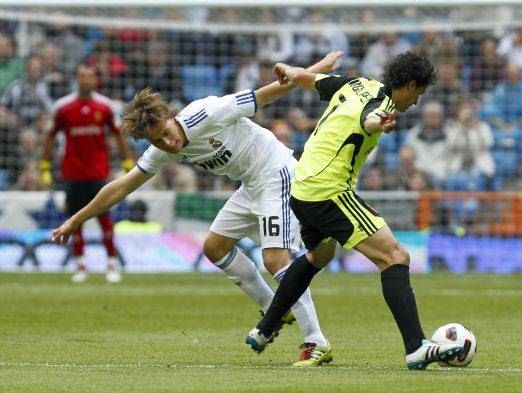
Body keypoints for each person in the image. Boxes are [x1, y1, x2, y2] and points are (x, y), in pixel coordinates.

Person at [51, 52, 343, 367]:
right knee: (215, 247)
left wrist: (314, 72)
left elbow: (267, 94)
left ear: (170, 116)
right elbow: (122, 186)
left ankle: (316, 341)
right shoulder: (160, 147)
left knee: (275, 260)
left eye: (166, 133)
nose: (169, 143)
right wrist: (75, 220)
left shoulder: (206, 112)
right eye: (158, 142)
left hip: (276, 172)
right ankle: (276, 307)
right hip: (250, 184)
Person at [246, 52, 464, 370]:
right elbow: (369, 119)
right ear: (411, 85)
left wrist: (291, 70)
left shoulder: (357, 83)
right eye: (419, 94)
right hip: (327, 192)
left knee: (319, 256)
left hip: (302, 185)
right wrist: (381, 122)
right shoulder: (382, 106)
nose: (416, 102)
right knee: (395, 257)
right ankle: (416, 347)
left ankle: (265, 329)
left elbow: (311, 79)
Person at [41, 64, 134, 283]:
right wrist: (44, 165)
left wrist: (127, 160)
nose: (86, 80)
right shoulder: (62, 107)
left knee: (104, 219)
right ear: (76, 79)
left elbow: (118, 135)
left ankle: (111, 264)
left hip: (98, 173)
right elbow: (50, 136)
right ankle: (80, 265)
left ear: (95, 80)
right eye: (82, 76)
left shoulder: (105, 106)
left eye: (90, 76)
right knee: (75, 220)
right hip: (72, 173)